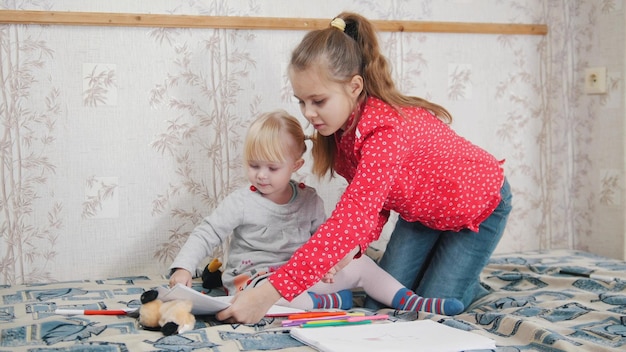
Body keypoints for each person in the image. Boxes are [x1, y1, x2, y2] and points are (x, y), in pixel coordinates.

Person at [216, 12, 512, 324]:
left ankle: (469, 284)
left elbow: (352, 215)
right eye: (302, 102)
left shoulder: (384, 131)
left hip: (478, 204)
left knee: (432, 303)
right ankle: (446, 269)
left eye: (318, 101)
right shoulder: (342, 133)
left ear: (354, 86)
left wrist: (268, 293)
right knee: (379, 302)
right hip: (422, 212)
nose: (309, 113)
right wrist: (353, 247)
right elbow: (373, 205)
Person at [169, 110, 464, 315]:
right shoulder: (240, 202)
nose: (260, 175)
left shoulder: (309, 200)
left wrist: (333, 267)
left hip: (299, 276)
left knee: (360, 265)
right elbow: (207, 233)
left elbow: (324, 242)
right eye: (253, 165)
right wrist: (183, 268)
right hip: (255, 280)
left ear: (296, 165)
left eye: (272, 168)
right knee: (261, 298)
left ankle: (413, 301)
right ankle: (328, 302)